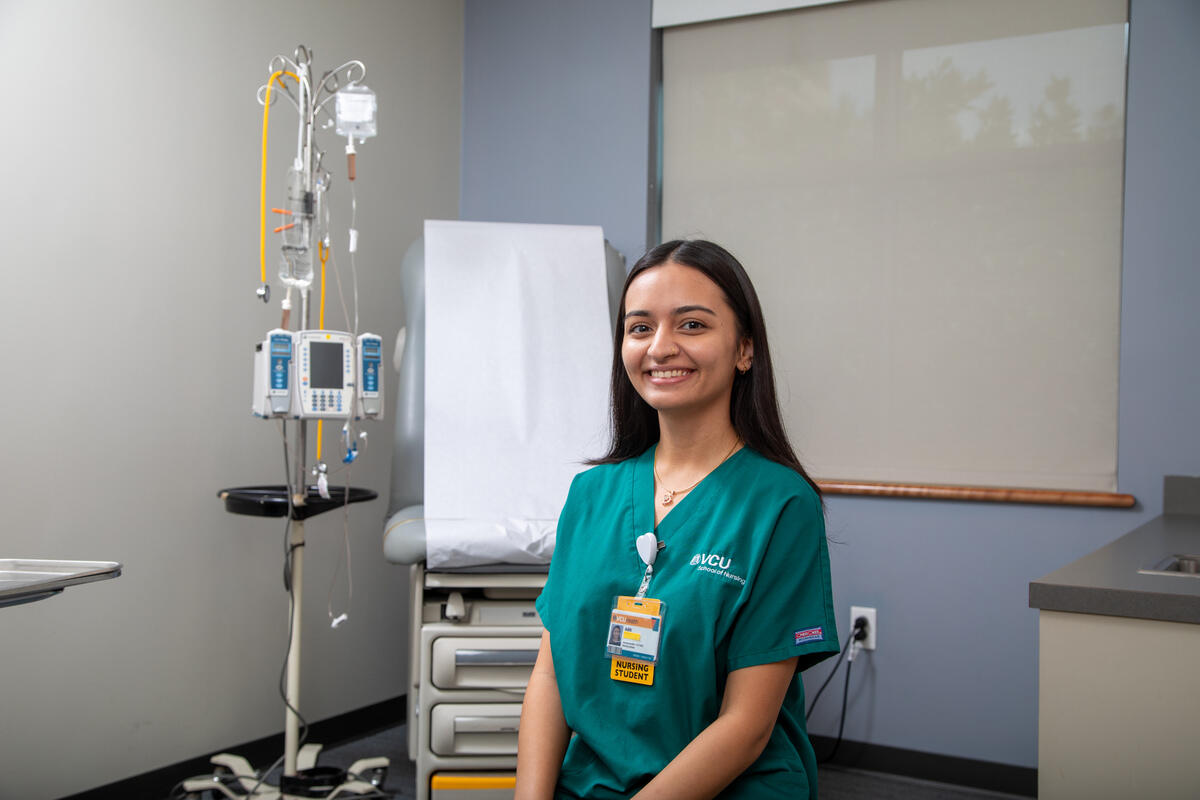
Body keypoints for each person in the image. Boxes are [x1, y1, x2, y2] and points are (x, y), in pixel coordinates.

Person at [515, 240, 839, 799]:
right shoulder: (591, 494)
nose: (661, 347)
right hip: (592, 783)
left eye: (691, 325)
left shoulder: (780, 506)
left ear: (744, 350)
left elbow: (746, 728)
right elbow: (551, 674)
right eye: (640, 328)